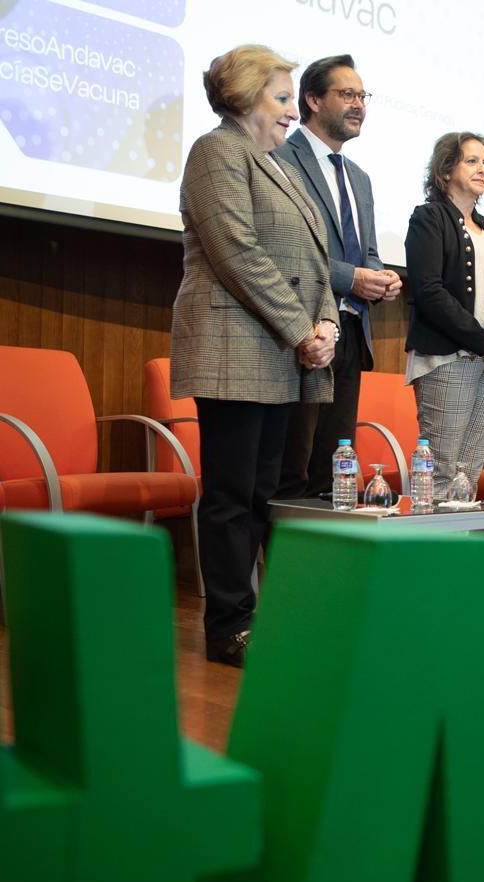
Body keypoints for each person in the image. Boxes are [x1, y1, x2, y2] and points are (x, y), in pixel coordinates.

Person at [171, 44, 339, 667]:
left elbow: (316, 261)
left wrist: (326, 325)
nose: (293, 112)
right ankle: (228, 626)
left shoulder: (279, 165)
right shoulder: (216, 152)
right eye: (282, 97)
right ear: (244, 96)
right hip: (234, 349)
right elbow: (237, 252)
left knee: (266, 490)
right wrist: (304, 329)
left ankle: (260, 615)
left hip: (281, 353)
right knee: (231, 494)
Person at [273, 54, 402, 499]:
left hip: (351, 331)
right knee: (293, 466)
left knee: (333, 467)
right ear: (311, 99)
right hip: (304, 329)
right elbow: (287, 251)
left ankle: (321, 565)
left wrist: (380, 278)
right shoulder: (281, 159)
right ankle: (283, 567)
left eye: (362, 96)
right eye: (347, 94)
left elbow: (365, 251)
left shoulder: (359, 178)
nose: (358, 104)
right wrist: (352, 279)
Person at [403, 133, 484, 499]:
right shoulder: (429, 218)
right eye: (471, 161)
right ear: (445, 170)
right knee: (441, 464)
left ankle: (458, 547)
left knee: (470, 467)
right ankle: (430, 552)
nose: (481, 169)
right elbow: (428, 290)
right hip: (449, 358)